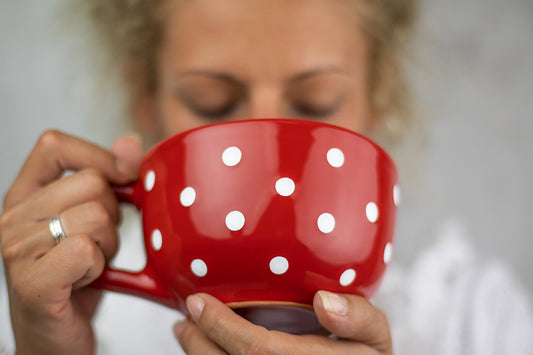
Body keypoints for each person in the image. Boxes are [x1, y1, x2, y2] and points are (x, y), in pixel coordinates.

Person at [0, 0, 532, 354]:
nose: (268, 145)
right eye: (212, 102)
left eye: (314, 101)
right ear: (147, 99)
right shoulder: (58, 314)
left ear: (378, 100)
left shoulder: (478, 320)